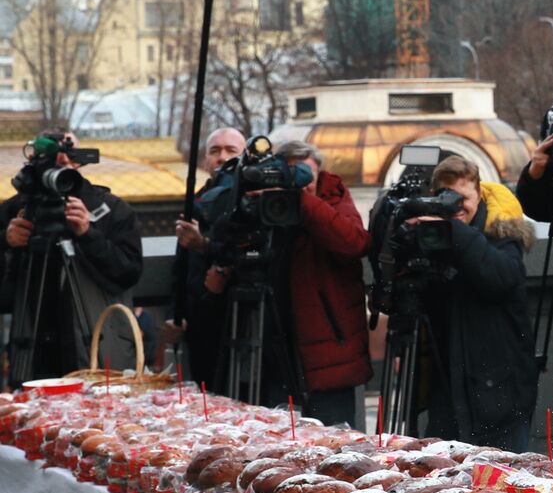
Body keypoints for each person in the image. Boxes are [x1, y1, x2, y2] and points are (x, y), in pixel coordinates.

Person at [200, 140, 371, 424]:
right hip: (271, 353)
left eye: (306, 177)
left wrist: (302, 202)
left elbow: (353, 243)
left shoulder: (332, 197)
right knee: (273, 438)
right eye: (290, 176)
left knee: (333, 441)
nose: (299, 185)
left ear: (320, 175)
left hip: (325, 361)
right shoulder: (263, 203)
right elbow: (226, 237)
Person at [414, 157, 539, 450]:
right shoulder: (430, 236)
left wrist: (454, 232)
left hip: (500, 396)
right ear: (433, 197)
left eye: (464, 199)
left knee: (503, 477)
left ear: (480, 195)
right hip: (447, 389)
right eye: (448, 198)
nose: (457, 207)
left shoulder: (503, 235)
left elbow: (500, 276)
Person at [0, 128, 143, 384]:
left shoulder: (109, 209)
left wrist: (88, 234)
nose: (62, 161)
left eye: (68, 153)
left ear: (79, 160)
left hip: (94, 351)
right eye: (52, 155)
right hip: (32, 349)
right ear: (34, 159)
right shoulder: (16, 209)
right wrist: (6, 240)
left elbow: (128, 272)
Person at [163, 127, 247, 385]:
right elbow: (181, 266)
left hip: (241, 319)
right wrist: (176, 314)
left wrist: (206, 246)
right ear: (205, 160)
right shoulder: (197, 201)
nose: (222, 157)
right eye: (215, 151)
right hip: (201, 323)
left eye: (231, 150)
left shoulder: (252, 200)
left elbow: (247, 253)